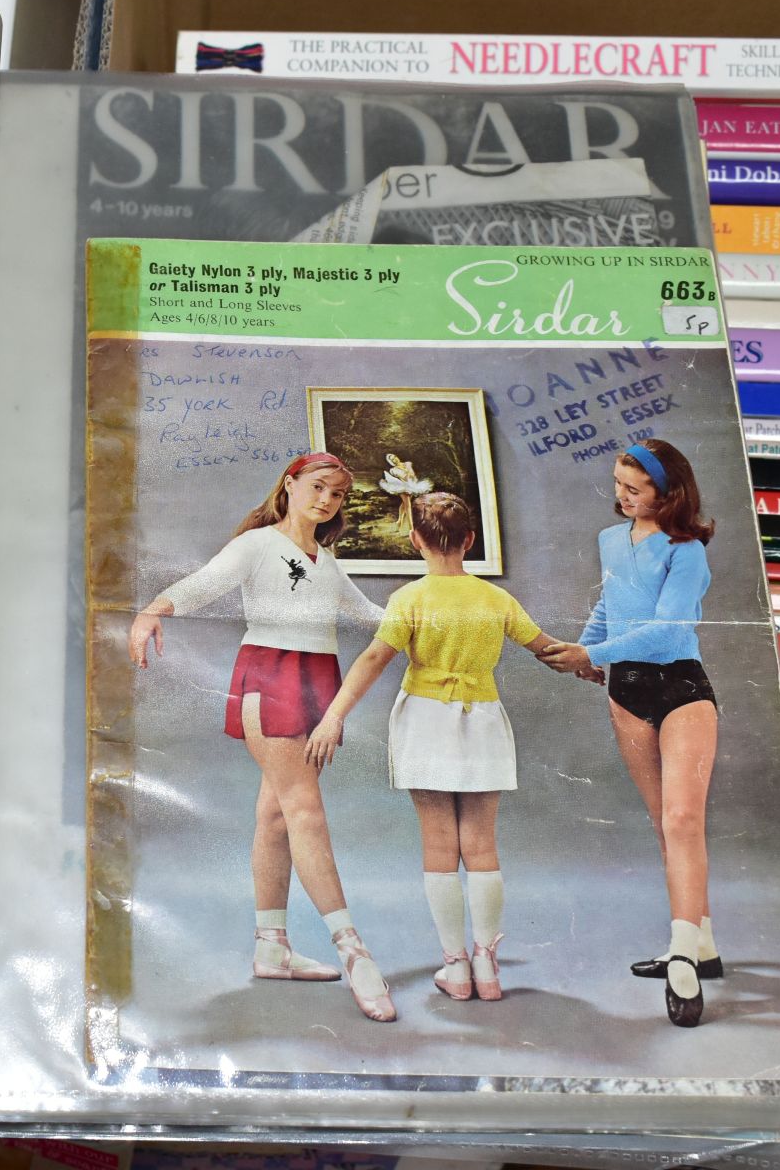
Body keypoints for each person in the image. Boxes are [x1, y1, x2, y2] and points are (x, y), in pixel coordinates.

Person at [127, 452, 396, 1023]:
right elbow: (205, 585)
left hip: (317, 680)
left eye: (339, 495)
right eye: (318, 488)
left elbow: (372, 615)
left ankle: (271, 947)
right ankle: (354, 950)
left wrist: (440, 618)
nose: (327, 501)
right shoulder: (256, 544)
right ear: (291, 484)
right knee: (304, 810)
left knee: (275, 816)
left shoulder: (325, 559)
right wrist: (153, 609)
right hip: (269, 676)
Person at [307, 493, 564, 1004]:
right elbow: (547, 649)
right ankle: (488, 965)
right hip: (484, 721)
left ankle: (456, 968)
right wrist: (591, 666)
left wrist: (333, 714)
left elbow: (374, 660)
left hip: (425, 721)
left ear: (415, 542)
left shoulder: (409, 599)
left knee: (439, 843)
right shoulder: (497, 600)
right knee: (483, 845)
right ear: (470, 540)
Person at [537, 439, 719, 1027]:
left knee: (683, 821)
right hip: (627, 691)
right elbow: (610, 610)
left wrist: (598, 649)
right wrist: (583, 652)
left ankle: (684, 960)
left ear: (668, 494)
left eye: (633, 489)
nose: (620, 496)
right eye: (618, 483)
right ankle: (703, 942)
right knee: (663, 820)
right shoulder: (610, 541)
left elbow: (667, 632)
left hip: (682, 687)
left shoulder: (687, 551)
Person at [378, 453, 431, 537]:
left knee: (404, 504)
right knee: (408, 505)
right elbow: (403, 478)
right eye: (392, 460)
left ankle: (399, 521)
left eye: (394, 457)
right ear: (391, 462)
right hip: (401, 486)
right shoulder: (393, 470)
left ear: (397, 456)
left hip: (411, 485)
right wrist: (407, 475)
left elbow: (413, 475)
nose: (394, 459)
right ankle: (411, 529)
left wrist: (411, 476)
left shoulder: (407, 464)